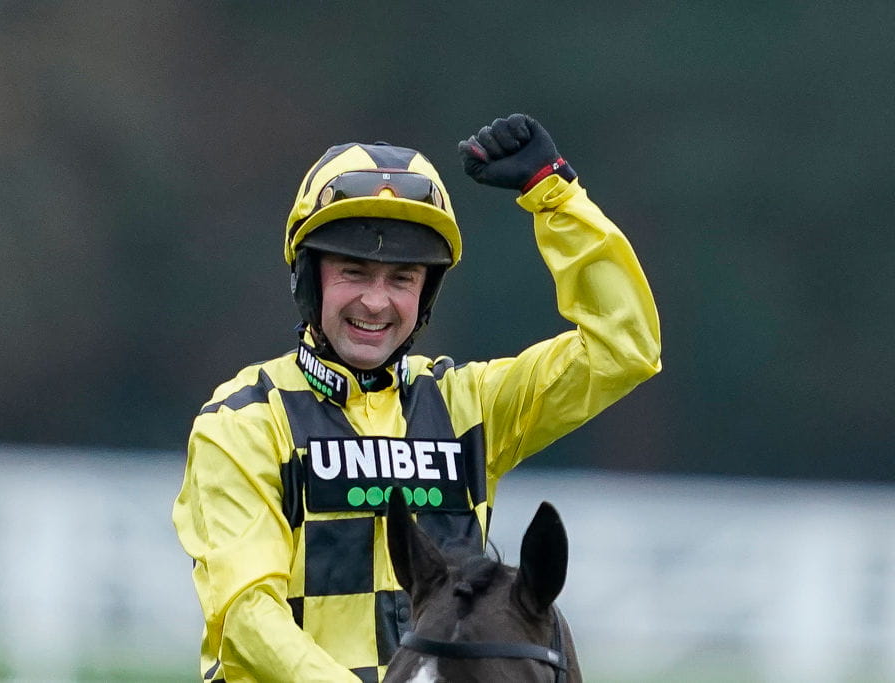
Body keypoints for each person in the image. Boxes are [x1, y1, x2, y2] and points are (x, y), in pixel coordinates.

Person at [172, 113, 662, 682]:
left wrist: (554, 196)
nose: (376, 303)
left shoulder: (467, 404)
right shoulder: (244, 420)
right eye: (354, 271)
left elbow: (624, 347)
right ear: (311, 277)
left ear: (425, 292)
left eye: (402, 279)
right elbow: (247, 620)